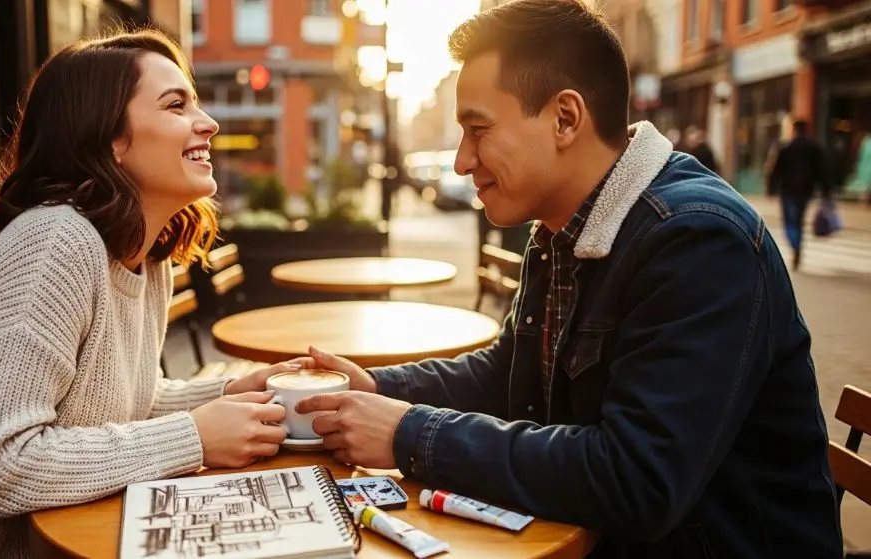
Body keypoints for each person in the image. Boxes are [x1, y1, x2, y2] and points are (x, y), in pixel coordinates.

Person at [236, 1, 843, 557]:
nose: (460, 160)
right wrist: (378, 386)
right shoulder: (564, 227)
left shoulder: (698, 241)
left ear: (565, 118)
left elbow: (635, 480)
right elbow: (510, 371)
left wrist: (409, 434)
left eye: (479, 129)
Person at [0, 29, 298, 558]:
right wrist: (192, 438)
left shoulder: (143, 253)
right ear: (109, 138)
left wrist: (225, 395)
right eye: (176, 105)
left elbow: (118, 402)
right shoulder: (53, 245)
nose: (209, 123)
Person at [769, 119, 832, 269]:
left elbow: (776, 171)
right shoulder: (814, 149)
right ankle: (797, 246)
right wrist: (825, 190)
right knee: (798, 220)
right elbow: (822, 171)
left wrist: (771, 188)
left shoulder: (785, 148)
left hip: (788, 190)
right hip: (805, 190)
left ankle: (795, 244)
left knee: (789, 221)